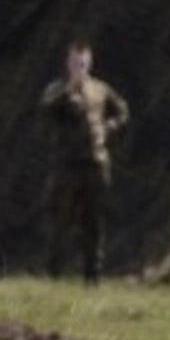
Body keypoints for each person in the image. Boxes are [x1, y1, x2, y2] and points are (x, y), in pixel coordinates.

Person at [39, 42, 130, 284]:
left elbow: (121, 110)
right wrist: (69, 89)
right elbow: (46, 107)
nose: (79, 67)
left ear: (89, 63)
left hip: (95, 163)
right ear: (67, 63)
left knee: (94, 221)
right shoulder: (58, 90)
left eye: (83, 63)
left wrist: (110, 127)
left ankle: (93, 275)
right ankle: (54, 274)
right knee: (61, 220)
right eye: (74, 62)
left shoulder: (100, 89)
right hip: (67, 166)